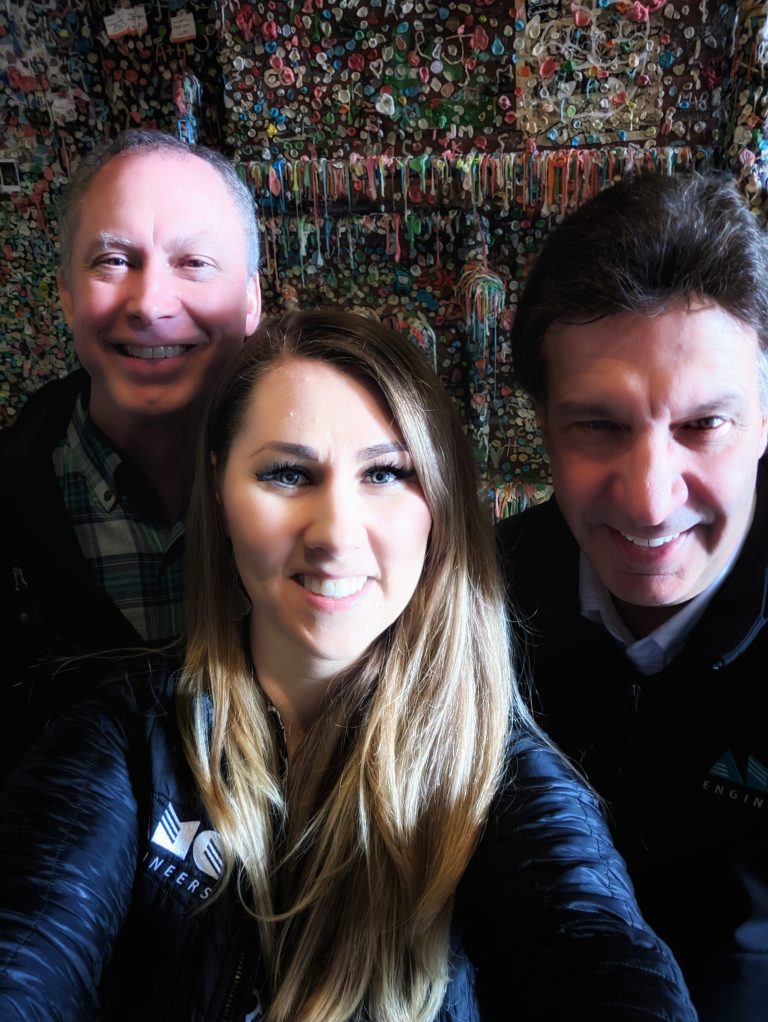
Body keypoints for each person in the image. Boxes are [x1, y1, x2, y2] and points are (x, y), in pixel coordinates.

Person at [0, 310, 695, 1021]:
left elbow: (599, 957)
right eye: (287, 473)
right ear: (219, 490)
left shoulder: (503, 784)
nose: (335, 533)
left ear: (440, 503)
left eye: (386, 473)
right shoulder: (123, 739)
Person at [497, 170, 768, 1021]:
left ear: (766, 419)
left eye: (704, 425)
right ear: (542, 425)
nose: (651, 501)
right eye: (600, 426)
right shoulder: (469, 605)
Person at [0, 128, 262, 778]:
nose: (148, 304)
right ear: (65, 294)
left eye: (194, 263)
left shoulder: (342, 504)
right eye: (112, 260)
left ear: (252, 300)